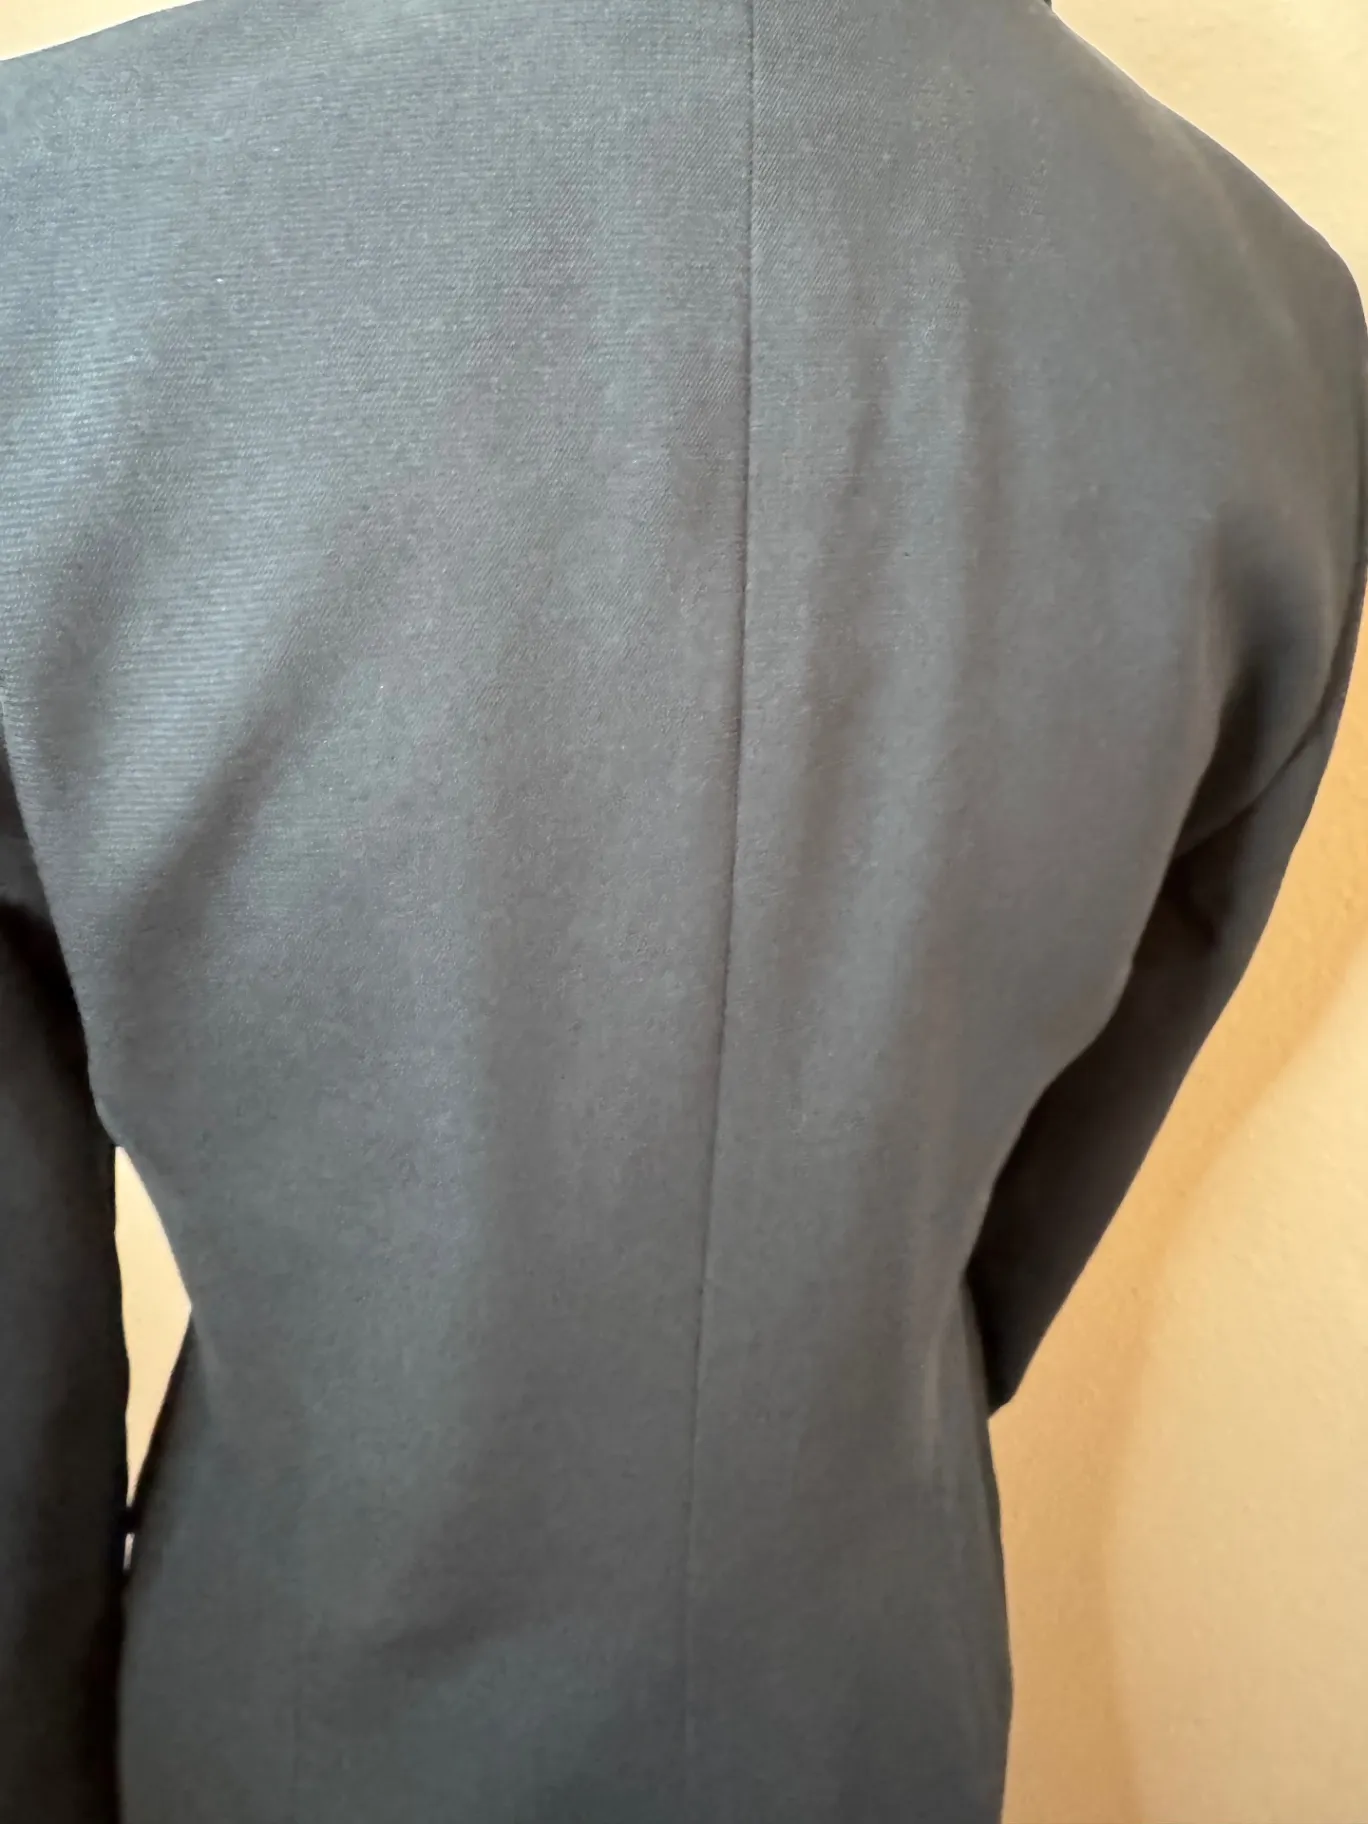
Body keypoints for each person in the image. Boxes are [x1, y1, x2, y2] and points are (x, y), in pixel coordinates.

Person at [1, 2, 1364, 1820]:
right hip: (882, 1711)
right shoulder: (1273, 314)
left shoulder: (47, 216)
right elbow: (1060, 1163)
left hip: (284, 1715)